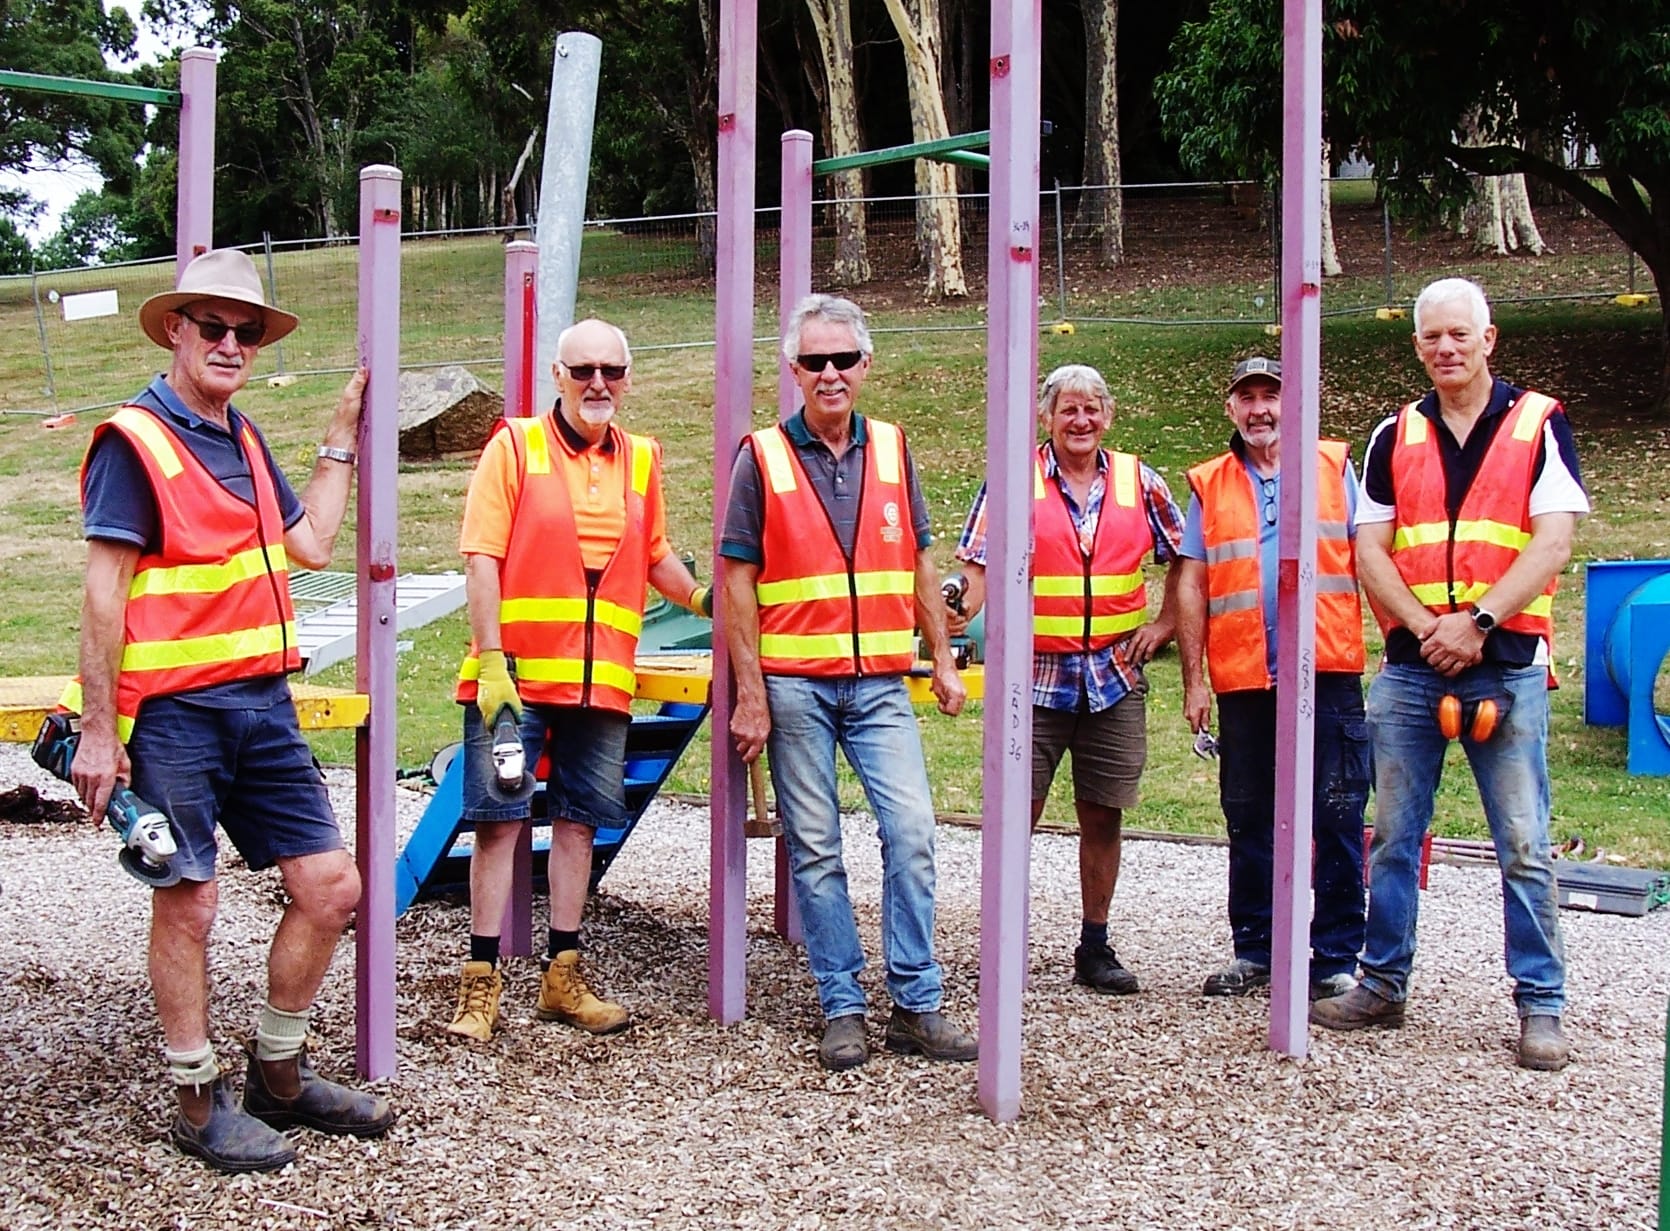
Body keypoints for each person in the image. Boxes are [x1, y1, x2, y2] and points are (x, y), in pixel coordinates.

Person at [65, 248, 393, 1173]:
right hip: (172, 715)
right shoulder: (135, 440)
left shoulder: (242, 437)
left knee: (332, 887)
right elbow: (103, 593)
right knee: (191, 901)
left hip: (260, 704)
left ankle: (276, 1076)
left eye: (246, 331)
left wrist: (339, 434)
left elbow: (313, 544)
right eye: (212, 325)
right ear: (176, 329)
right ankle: (195, 1099)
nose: (231, 342)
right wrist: (100, 727)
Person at [1310, 278, 1588, 1072]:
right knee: (1394, 834)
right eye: (1432, 336)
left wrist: (1480, 623)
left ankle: (1542, 1004)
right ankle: (1383, 982)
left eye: (1460, 334)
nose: (1446, 348)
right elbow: (1369, 550)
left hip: (1505, 665)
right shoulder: (1392, 436)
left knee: (1525, 840)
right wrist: (1433, 628)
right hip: (1413, 666)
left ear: (1488, 339)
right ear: (1418, 346)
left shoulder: (1540, 423)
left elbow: (1552, 542)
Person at [719, 293, 975, 1072]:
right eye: (813, 361)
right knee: (818, 848)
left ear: (866, 365)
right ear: (793, 370)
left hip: (879, 685)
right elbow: (736, 580)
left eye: (843, 359)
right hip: (796, 683)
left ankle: (915, 999)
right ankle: (843, 1004)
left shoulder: (894, 447)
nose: (829, 373)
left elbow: (922, 561)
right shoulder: (760, 456)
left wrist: (942, 656)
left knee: (913, 832)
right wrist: (752, 692)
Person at [447, 318, 708, 1042]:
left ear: (627, 378)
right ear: (557, 376)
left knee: (579, 824)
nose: (599, 383)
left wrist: (702, 599)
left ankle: (562, 975)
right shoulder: (515, 446)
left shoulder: (644, 459)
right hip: (518, 679)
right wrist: (492, 658)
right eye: (584, 369)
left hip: (602, 684)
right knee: (499, 825)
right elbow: (481, 557)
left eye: (612, 371)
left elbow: (654, 552)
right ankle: (480, 981)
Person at [946, 363, 1183, 995]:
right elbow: (974, 572)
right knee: (1013, 814)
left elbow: (1187, 557)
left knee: (1104, 815)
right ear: (1046, 418)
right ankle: (1004, 942)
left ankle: (1095, 944)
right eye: (1066, 409)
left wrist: (1164, 624)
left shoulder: (1141, 482)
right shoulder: (1012, 483)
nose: (1080, 421)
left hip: (1114, 676)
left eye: (1091, 409)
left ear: (1107, 417)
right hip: (1033, 681)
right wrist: (948, 612)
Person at [1176, 356, 1369, 1001]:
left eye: (1271, 395)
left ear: (1293, 403)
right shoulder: (1209, 483)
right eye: (1247, 397)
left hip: (1330, 669)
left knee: (1337, 813)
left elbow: (1372, 558)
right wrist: (1193, 680)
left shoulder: (1335, 469)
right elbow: (1193, 584)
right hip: (1243, 677)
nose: (1260, 408)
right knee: (1249, 816)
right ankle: (1255, 948)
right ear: (1230, 409)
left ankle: (1336, 955)